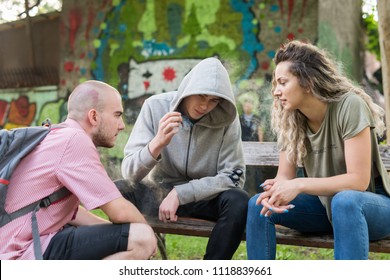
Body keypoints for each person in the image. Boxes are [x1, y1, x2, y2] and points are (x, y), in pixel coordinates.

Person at [246, 40, 390, 260]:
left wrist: (299, 184)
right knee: (258, 205)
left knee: (345, 201)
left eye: (283, 82)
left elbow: (358, 181)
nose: (276, 91)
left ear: (307, 81)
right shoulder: (290, 119)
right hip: (325, 206)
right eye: (275, 84)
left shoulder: (349, 105)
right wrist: (275, 191)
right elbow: (284, 177)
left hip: (369, 206)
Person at [0, 80, 157, 260]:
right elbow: (119, 211)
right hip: (19, 253)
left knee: (129, 236)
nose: (121, 125)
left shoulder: (56, 135)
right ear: (94, 117)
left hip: (15, 246)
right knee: (141, 239)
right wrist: (148, 233)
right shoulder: (74, 141)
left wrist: (112, 233)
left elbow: (71, 214)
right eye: (117, 115)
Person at [119, 57, 249, 260]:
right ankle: (135, 254)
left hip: (203, 197)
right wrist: (157, 144)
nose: (205, 106)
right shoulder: (155, 107)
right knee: (119, 190)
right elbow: (129, 172)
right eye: (201, 96)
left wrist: (181, 193)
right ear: (188, 87)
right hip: (158, 194)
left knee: (239, 200)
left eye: (213, 100)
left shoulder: (227, 120)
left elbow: (233, 176)